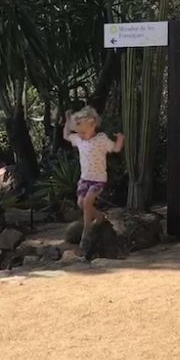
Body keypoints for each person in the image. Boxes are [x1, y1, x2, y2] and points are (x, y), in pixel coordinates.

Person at [63, 106, 124, 253]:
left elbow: (115, 149)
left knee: (87, 202)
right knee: (81, 203)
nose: (80, 134)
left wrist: (120, 139)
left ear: (92, 124)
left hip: (98, 180)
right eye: (79, 131)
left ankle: (87, 231)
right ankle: (99, 217)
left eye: (82, 131)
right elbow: (66, 135)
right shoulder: (79, 139)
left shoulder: (101, 139)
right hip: (84, 179)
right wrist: (67, 120)